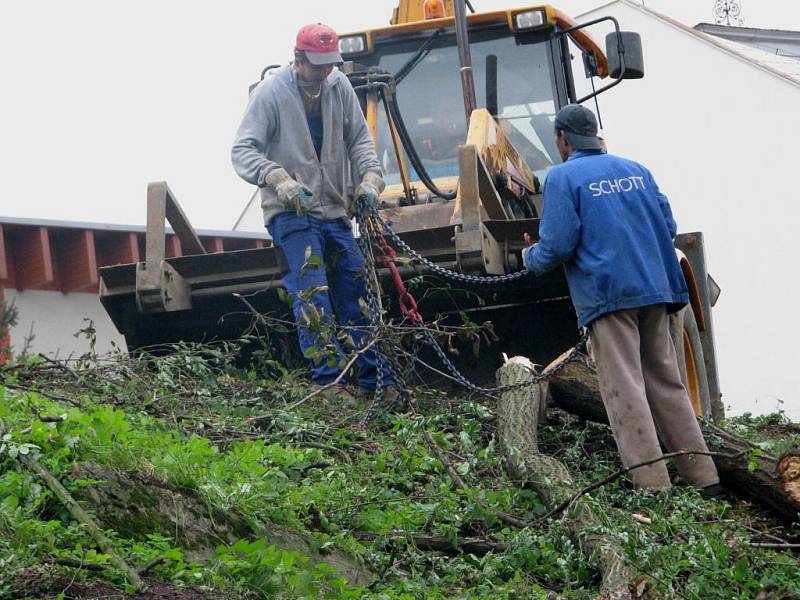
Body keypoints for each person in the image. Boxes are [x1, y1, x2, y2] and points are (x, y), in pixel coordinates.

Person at [522, 104, 721, 494]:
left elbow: (560, 242)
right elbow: (668, 226)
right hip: (657, 289)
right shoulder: (637, 170)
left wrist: (530, 258)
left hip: (609, 296)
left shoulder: (562, 177)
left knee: (624, 388)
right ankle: (705, 478)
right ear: (594, 134)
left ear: (562, 139)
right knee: (667, 383)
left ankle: (652, 485)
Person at [231, 23, 396, 402]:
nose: (324, 72)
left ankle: (376, 382)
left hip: (334, 209)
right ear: (298, 59)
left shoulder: (339, 87)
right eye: (317, 65)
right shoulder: (272, 94)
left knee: (355, 292)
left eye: (329, 65)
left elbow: (359, 139)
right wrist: (277, 178)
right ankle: (329, 383)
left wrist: (370, 179)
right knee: (313, 294)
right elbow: (242, 150)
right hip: (292, 214)